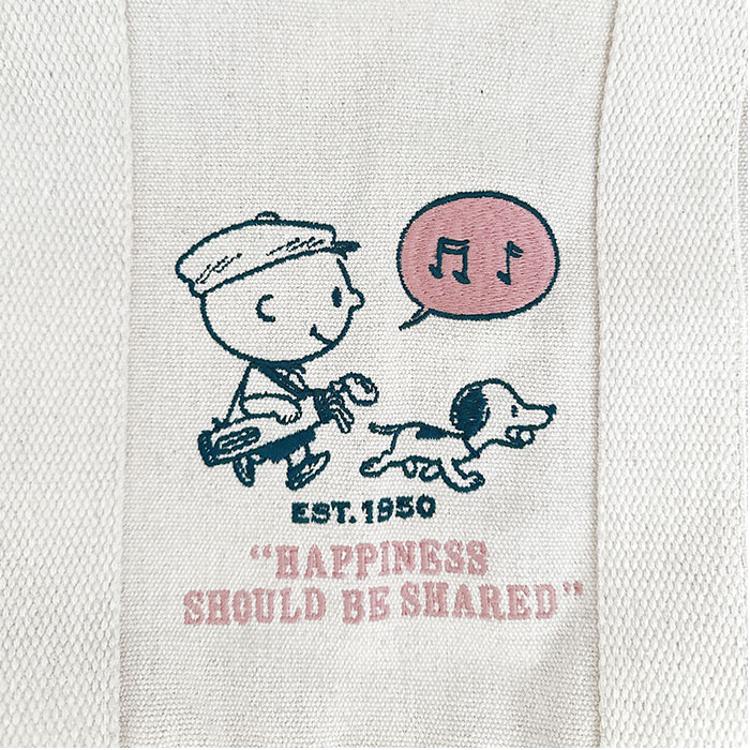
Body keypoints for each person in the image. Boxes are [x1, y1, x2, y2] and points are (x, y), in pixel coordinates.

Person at [176, 211, 377, 490]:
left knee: (294, 435)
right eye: (336, 297)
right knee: (277, 435)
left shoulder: (286, 369)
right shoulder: (262, 373)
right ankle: (248, 456)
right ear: (267, 309)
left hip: (286, 421)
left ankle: (297, 464)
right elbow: (252, 401)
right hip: (265, 421)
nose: (356, 300)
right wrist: (282, 406)